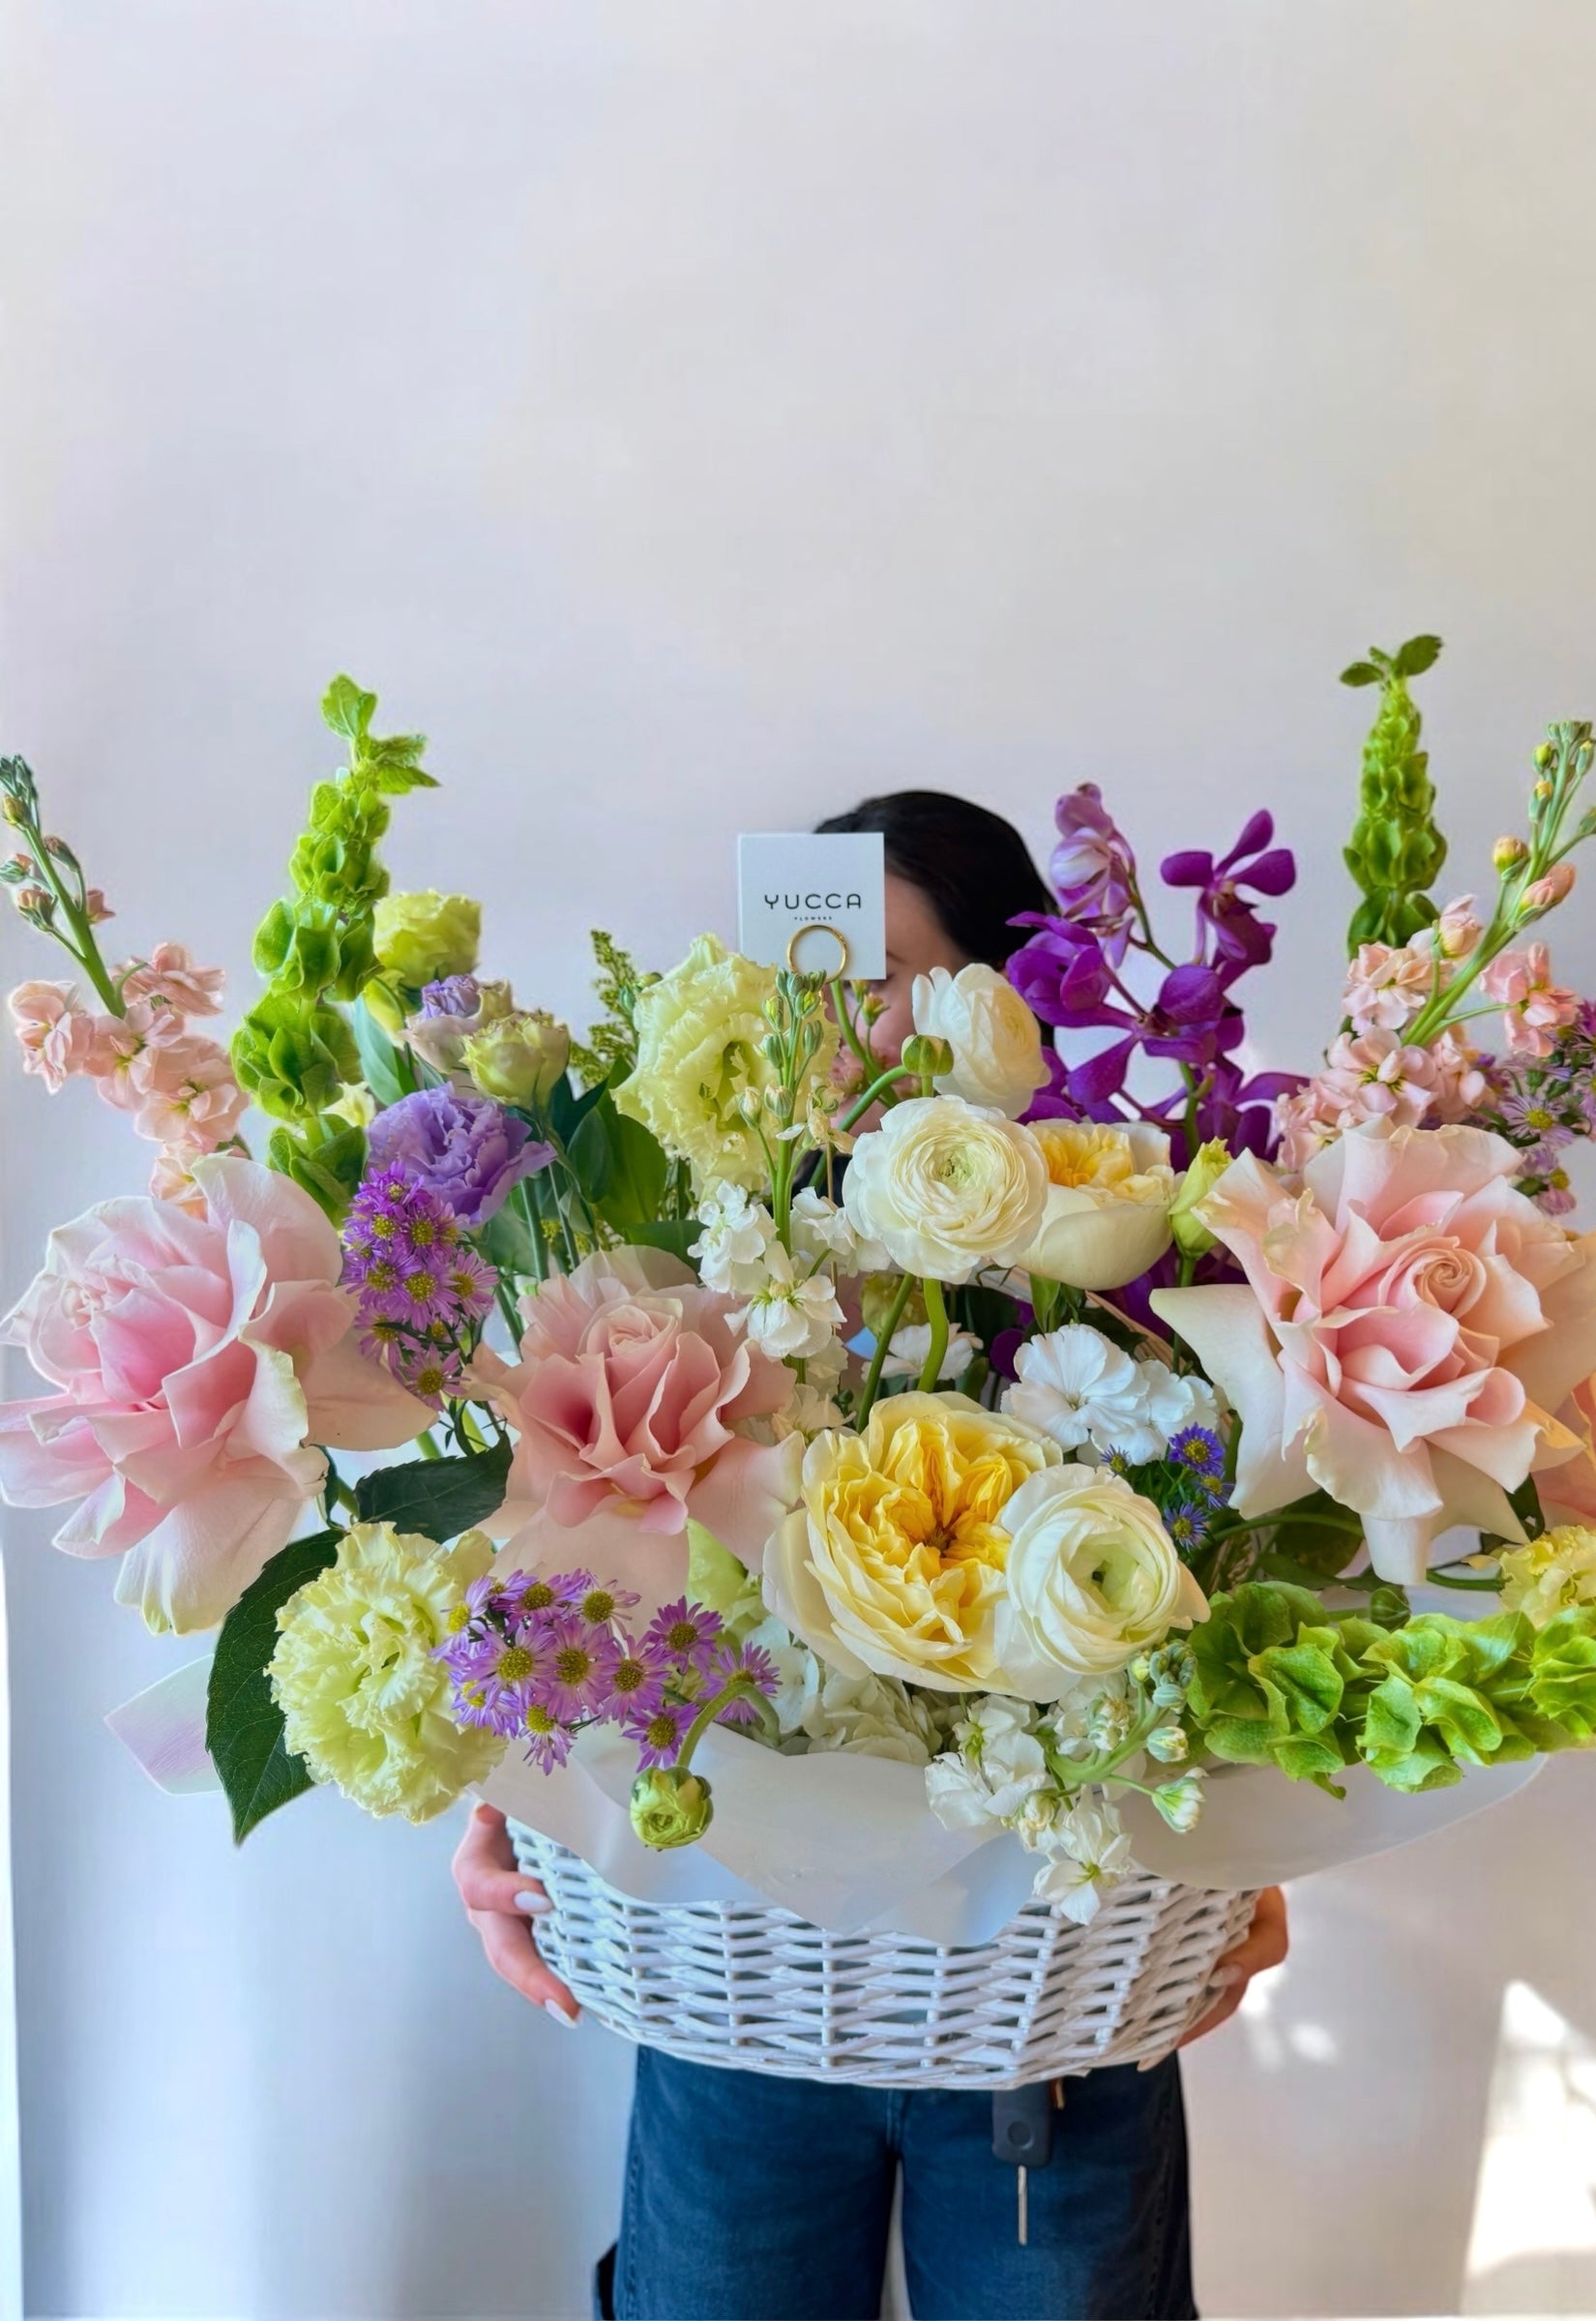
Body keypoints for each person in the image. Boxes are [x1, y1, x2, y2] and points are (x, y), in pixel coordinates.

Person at [452, 790, 1289, 2319]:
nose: (837, 1022)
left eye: (884, 969)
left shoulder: (1127, 1265)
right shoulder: (710, 1267)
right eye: (806, 974)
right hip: (740, 1987)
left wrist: (1241, 1846)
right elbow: (575, 1567)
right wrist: (513, 1814)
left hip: (1047, 2002)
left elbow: (1244, 1584)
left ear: (1008, 995)